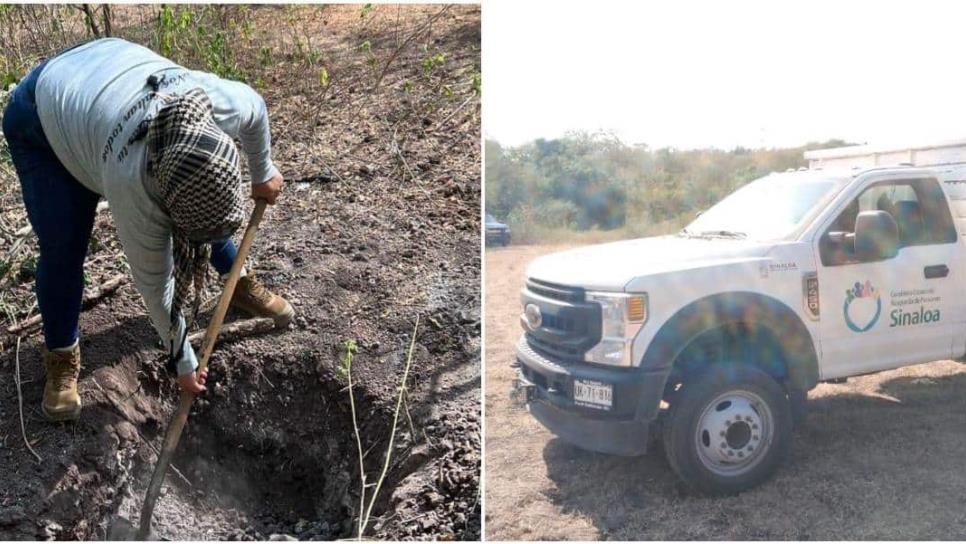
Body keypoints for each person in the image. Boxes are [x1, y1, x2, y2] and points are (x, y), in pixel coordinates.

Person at [2, 37, 295, 422]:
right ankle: (61, 354)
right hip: (40, 115)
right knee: (64, 245)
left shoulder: (213, 103)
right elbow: (156, 286)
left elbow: (254, 108)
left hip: (104, 71)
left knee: (198, 205)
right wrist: (183, 361)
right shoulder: (132, 184)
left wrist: (262, 171)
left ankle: (236, 281)